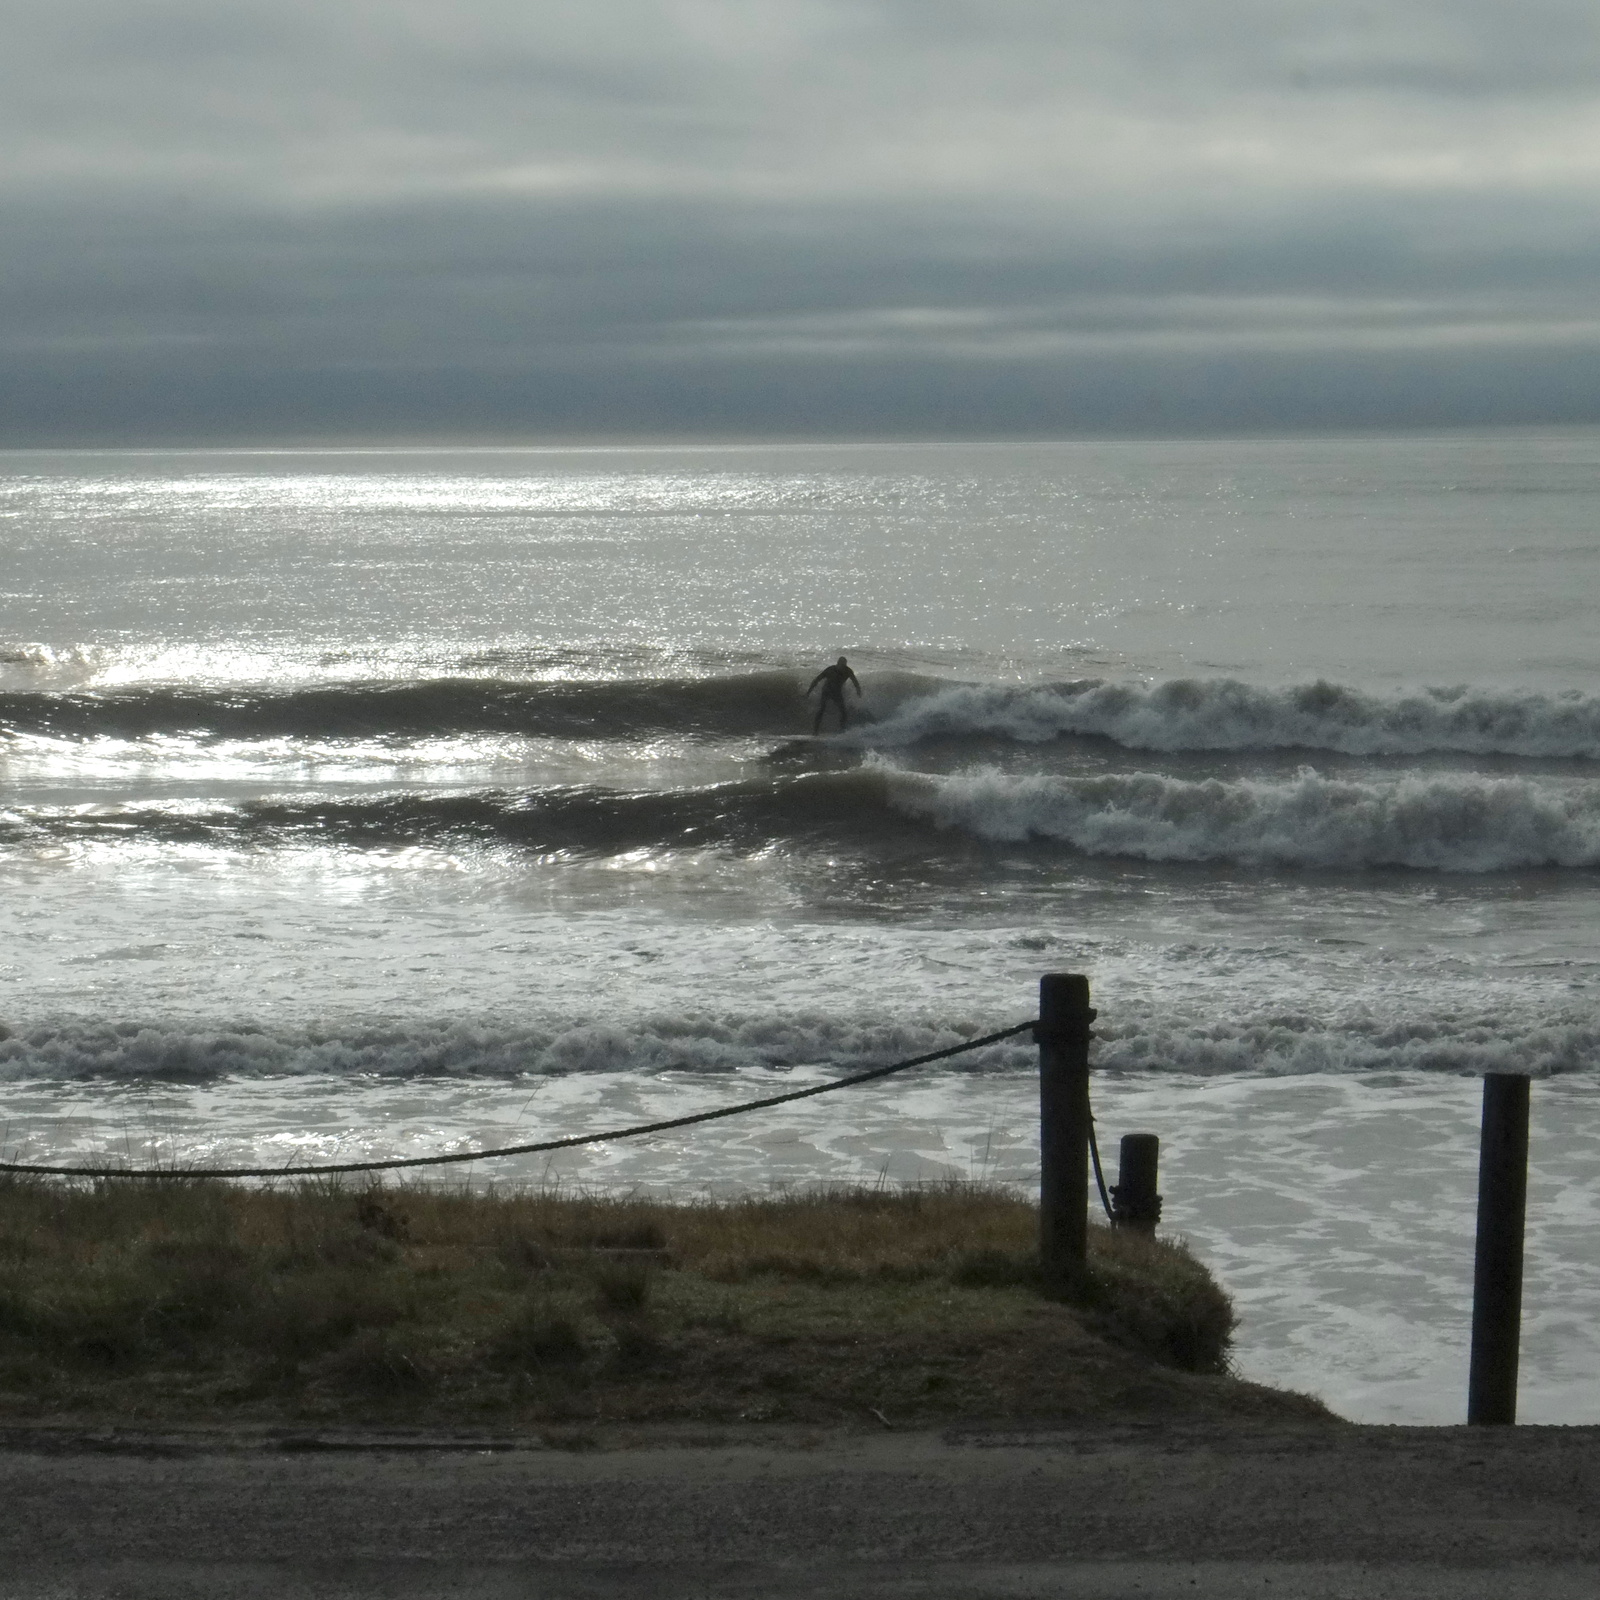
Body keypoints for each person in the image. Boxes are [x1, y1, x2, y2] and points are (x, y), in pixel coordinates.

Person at [805, 656, 862, 734]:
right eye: (840, 664)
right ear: (837, 664)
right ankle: (815, 731)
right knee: (822, 709)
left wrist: (858, 691)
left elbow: (855, 682)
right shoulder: (830, 670)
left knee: (843, 712)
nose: (842, 667)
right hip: (827, 691)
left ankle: (842, 731)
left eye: (844, 665)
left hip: (837, 693)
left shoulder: (848, 671)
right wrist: (808, 692)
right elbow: (817, 679)